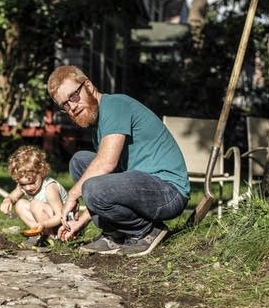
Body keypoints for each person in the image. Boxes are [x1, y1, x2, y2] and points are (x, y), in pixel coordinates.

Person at [47, 65, 190, 257]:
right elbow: (106, 185)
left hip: (168, 192)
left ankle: (146, 232)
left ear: (88, 86)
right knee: (80, 162)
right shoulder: (99, 125)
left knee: (90, 184)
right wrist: (80, 221)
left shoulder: (115, 105)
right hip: (142, 186)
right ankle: (113, 234)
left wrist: (72, 195)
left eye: (73, 96)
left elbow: (106, 164)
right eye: (64, 104)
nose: (71, 107)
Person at [0, 145, 70, 247]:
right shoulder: (24, 185)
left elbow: (60, 216)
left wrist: (44, 224)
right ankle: (38, 234)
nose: (28, 188)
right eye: (23, 184)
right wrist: (7, 201)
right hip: (45, 222)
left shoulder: (49, 188)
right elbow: (13, 197)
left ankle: (51, 238)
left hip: (62, 225)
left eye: (32, 182)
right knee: (19, 204)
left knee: (35, 204)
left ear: (41, 173)